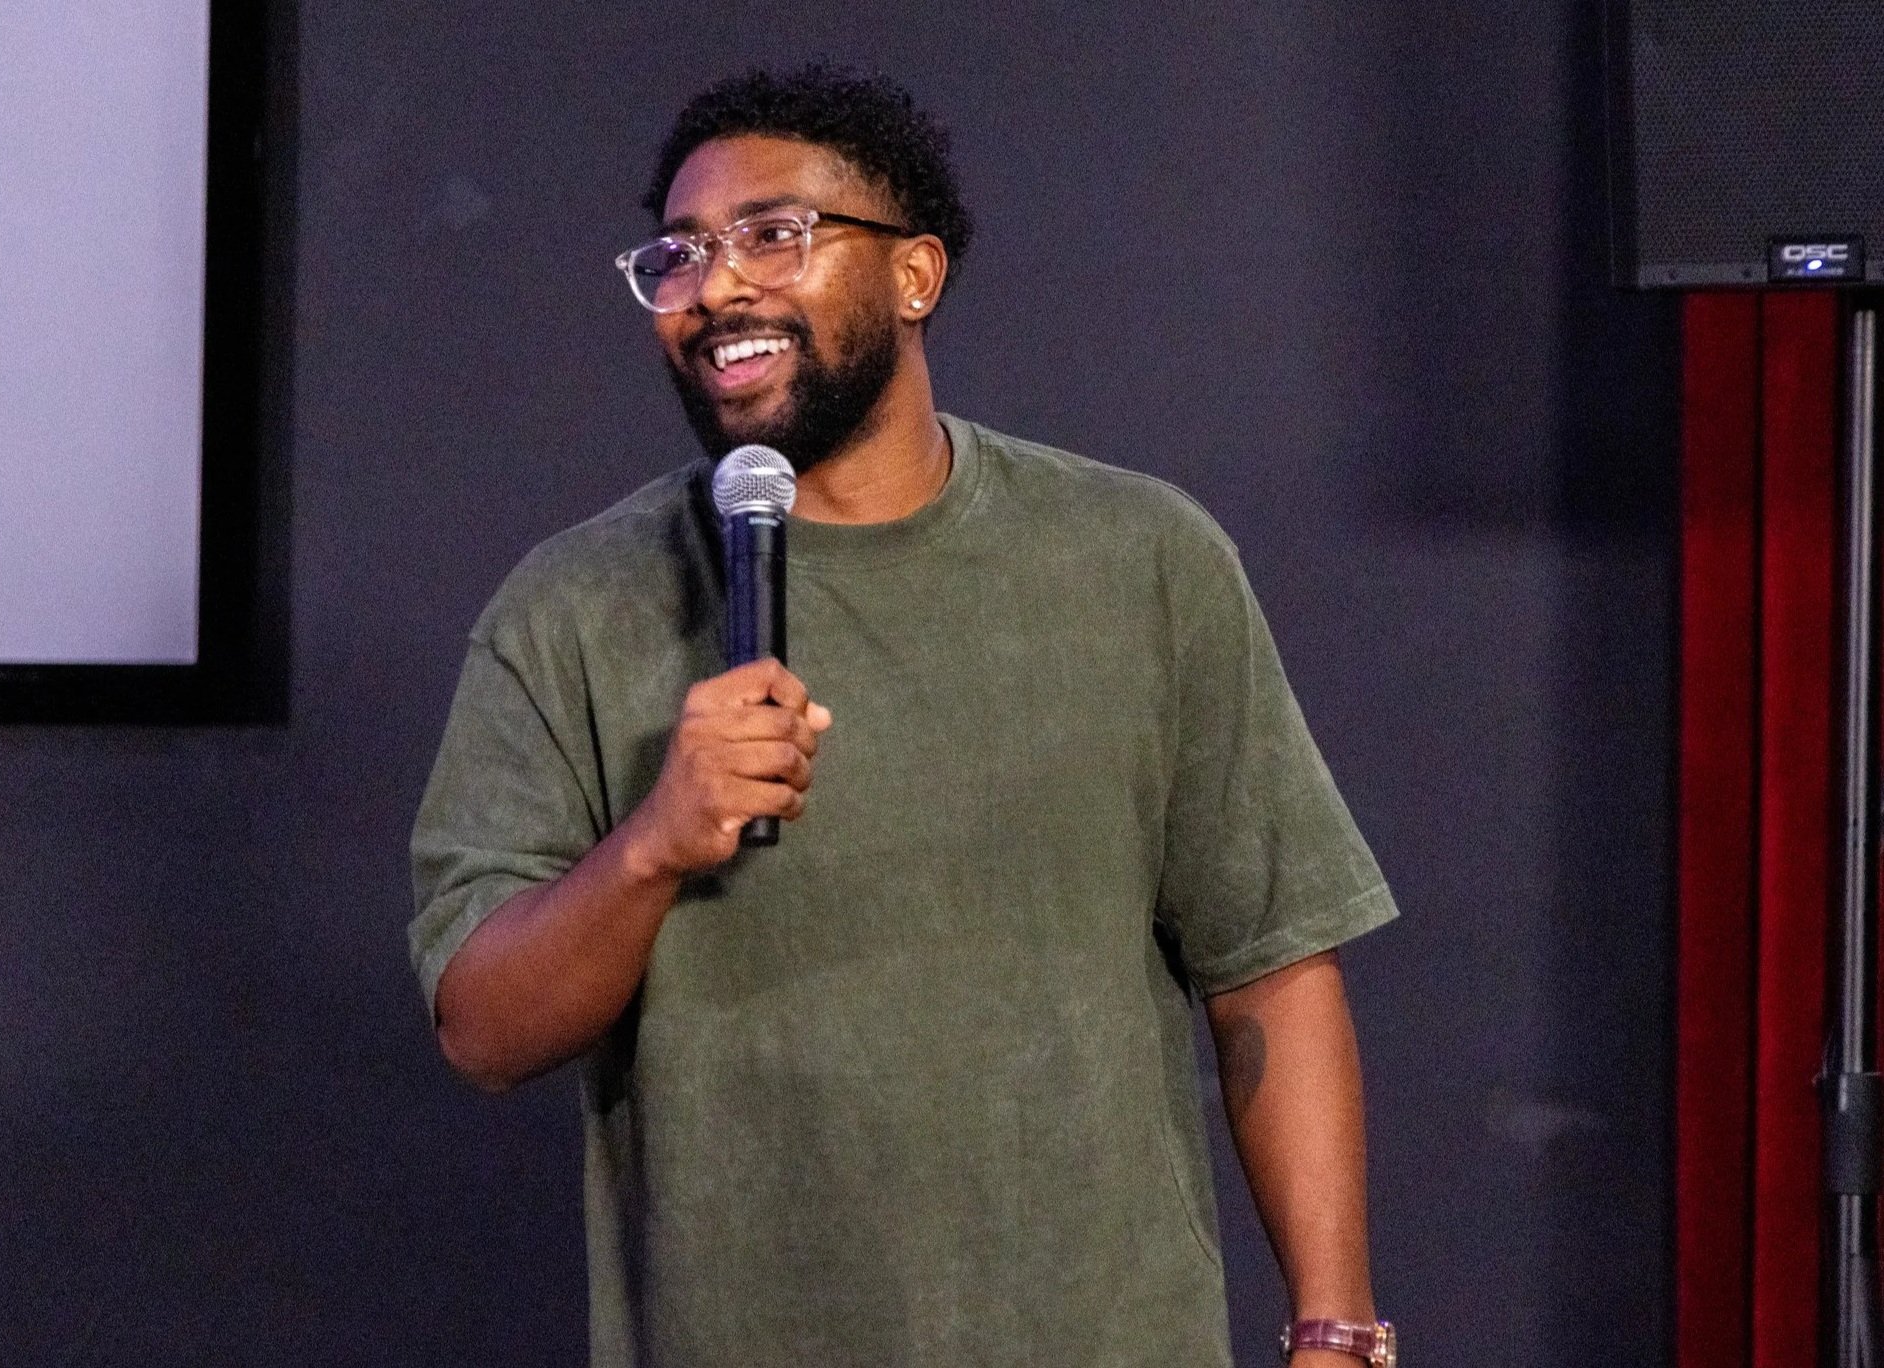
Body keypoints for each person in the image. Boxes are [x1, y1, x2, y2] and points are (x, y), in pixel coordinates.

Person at [410, 64, 1398, 1368]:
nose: (719, 287)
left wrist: (1336, 1329)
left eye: (775, 234)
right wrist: (652, 843)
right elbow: (482, 1028)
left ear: (916, 276)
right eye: (681, 254)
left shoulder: (1141, 560)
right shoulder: (572, 608)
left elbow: (1269, 962)